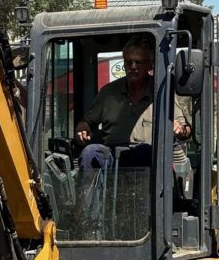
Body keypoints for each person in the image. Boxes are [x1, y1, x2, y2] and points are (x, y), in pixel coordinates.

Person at [75, 35, 191, 169]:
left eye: (138, 62)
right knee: (91, 152)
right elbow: (87, 121)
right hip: (112, 157)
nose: (133, 66)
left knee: (146, 152)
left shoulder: (163, 91)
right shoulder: (108, 92)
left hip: (149, 157)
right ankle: (89, 190)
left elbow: (185, 130)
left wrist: (179, 129)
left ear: (150, 64)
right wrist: (83, 128)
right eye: (128, 62)